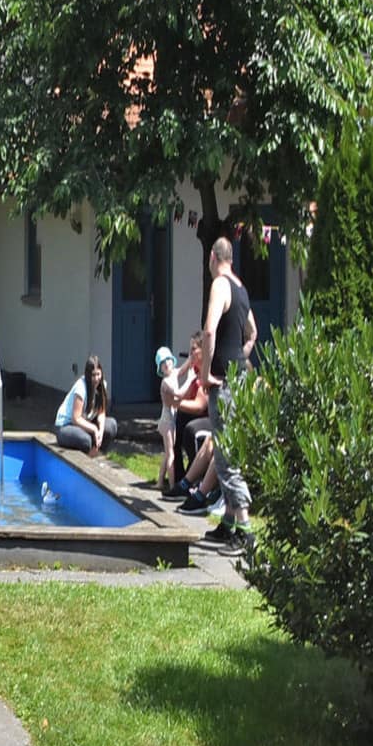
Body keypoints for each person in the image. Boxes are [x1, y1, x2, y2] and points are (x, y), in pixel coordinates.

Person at [184, 236, 257, 555]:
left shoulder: (220, 286)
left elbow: (210, 330)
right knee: (231, 448)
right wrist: (239, 358)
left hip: (223, 383)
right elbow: (251, 332)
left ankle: (245, 529)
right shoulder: (240, 288)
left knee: (227, 456)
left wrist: (206, 373)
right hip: (239, 378)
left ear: (213, 257)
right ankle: (228, 524)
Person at [155, 341, 206, 493]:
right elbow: (178, 395)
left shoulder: (174, 373)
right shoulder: (165, 382)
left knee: (167, 452)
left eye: (169, 360)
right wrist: (190, 379)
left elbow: (183, 369)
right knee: (170, 453)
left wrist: (191, 358)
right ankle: (172, 485)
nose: (167, 364)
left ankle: (159, 482)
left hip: (171, 419)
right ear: (160, 368)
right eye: (163, 363)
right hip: (167, 422)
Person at [54, 354, 115, 455]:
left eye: (98, 374)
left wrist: (100, 431)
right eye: (93, 375)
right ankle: (87, 458)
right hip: (65, 426)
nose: (96, 379)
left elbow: (101, 413)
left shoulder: (102, 385)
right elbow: (76, 418)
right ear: (87, 375)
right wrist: (94, 429)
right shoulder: (81, 387)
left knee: (111, 425)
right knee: (85, 441)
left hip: (84, 423)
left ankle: (97, 452)